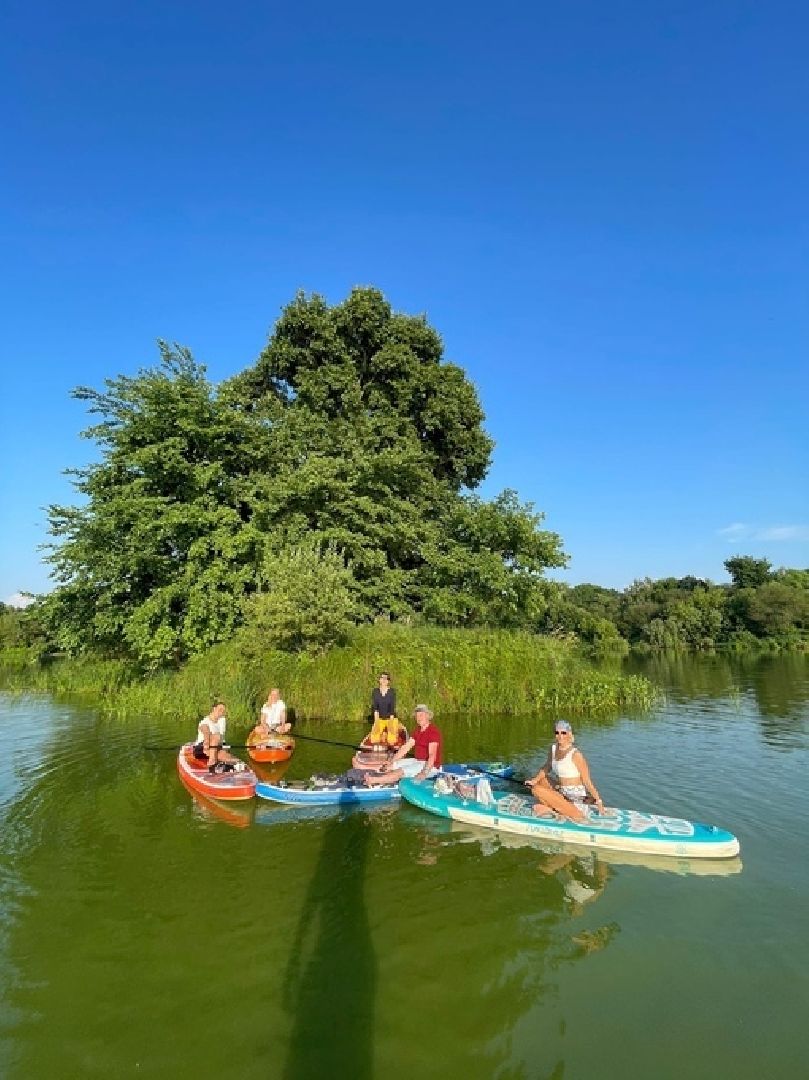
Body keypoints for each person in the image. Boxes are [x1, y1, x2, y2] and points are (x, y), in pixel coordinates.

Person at [525, 720, 604, 823]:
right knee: (540, 780)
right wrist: (534, 780)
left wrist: (599, 801)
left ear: (569, 734)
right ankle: (554, 805)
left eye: (563, 733)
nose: (560, 736)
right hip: (562, 791)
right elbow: (547, 766)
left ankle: (558, 810)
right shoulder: (553, 748)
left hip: (575, 800)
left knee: (536, 790)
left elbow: (587, 781)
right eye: (557, 732)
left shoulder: (576, 755)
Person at [364, 704, 442, 786]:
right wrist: (392, 761)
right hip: (416, 761)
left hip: (430, 766)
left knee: (400, 771)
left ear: (427, 716)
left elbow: (432, 755)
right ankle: (375, 774)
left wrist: (424, 772)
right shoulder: (418, 730)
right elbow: (405, 748)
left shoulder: (433, 732)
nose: (418, 718)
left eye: (421, 715)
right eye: (417, 716)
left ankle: (373, 780)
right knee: (390, 766)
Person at [193, 701, 244, 774]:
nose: (222, 712)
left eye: (223, 711)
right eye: (220, 710)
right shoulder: (204, 722)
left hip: (215, 747)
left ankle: (238, 765)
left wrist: (224, 747)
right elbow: (205, 731)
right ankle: (212, 762)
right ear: (214, 709)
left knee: (227, 756)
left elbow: (222, 739)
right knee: (216, 736)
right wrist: (207, 741)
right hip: (202, 748)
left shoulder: (222, 720)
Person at [368, 672, 398, 745]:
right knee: (373, 740)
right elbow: (375, 708)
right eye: (382, 678)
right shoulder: (375, 691)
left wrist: (390, 724)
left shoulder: (392, 692)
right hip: (379, 718)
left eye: (386, 678)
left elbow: (392, 708)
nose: (384, 680)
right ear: (379, 680)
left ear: (388, 681)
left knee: (391, 740)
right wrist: (376, 723)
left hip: (390, 718)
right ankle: (383, 734)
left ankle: (388, 733)